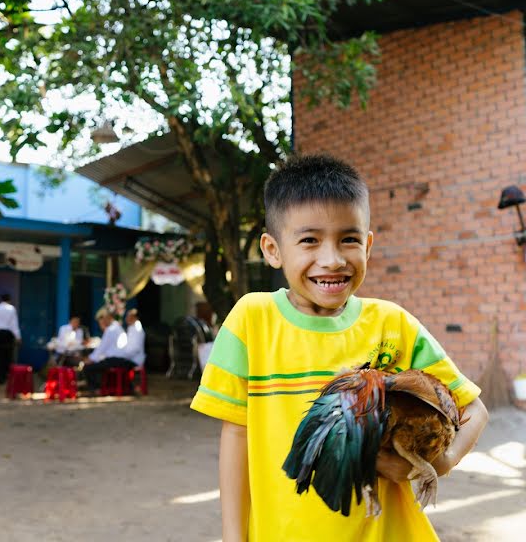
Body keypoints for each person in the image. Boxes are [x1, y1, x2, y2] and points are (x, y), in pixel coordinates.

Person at [190, 154, 489, 541]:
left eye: (348, 239)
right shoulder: (252, 319)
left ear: (367, 246)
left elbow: (474, 409)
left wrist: (435, 464)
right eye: (309, 240)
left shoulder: (392, 322)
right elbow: (236, 436)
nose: (331, 260)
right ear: (273, 249)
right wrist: (235, 537)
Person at [82, 307, 141, 391]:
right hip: (122, 359)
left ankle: (97, 389)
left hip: (116, 360)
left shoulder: (111, 329)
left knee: (88, 367)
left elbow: (101, 349)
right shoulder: (117, 327)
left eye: (101, 320)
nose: (100, 323)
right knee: (96, 364)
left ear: (106, 318)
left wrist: (90, 359)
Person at [0, 293, 21, 384]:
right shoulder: (11, 309)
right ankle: (7, 377)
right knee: (8, 356)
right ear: (9, 300)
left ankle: (0, 377)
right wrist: (18, 336)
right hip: (7, 335)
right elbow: (14, 324)